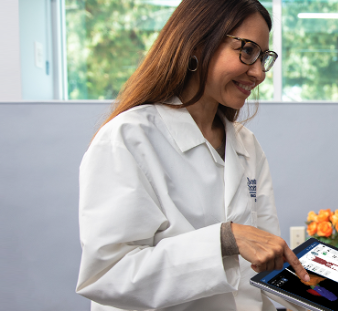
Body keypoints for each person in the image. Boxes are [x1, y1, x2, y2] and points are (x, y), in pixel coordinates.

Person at [75, 1, 310, 310]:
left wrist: (335, 292)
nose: (258, 73)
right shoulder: (129, 138)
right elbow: (108, 274)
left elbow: (266, 262)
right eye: (247, 51)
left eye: (263, 57)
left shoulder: (246, 145)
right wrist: (225, 240)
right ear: (198, 43)